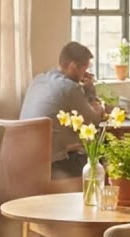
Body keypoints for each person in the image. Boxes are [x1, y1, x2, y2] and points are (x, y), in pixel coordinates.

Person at [19, 41, 106, 179]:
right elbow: (93, 121)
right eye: (85, 68)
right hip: (55, 163)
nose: (86, 73)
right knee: (100, 158)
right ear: (73, 66)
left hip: (26, 160)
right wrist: (91, 93)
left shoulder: (38, 79)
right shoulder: (70, 87)